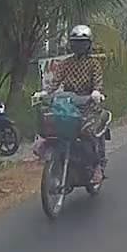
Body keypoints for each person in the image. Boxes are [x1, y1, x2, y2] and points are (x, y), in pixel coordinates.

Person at [38, 25, 108, 183]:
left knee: (88, 132)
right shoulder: (65, 63)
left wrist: (96, 92)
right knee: (53, 124)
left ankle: (97, 166)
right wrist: (45, 93)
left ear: (88, 44)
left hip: (89, 104)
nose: (79, 46)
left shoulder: (94, 64)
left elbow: (98, 82)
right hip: (69, 104)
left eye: (82, 43)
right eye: (75, 42)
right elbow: (55, 82)